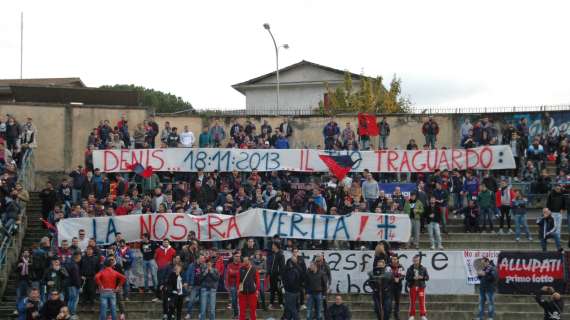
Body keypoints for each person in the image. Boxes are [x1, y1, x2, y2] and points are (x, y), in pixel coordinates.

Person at [405, 255, 429, 320]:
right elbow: (407, 278)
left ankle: (423, 315)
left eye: (417, 260)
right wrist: (412, 278)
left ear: (419, 261)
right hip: (412, 287)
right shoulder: (409, 269)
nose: (416, 262)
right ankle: (412, 315)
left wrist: (422, 277)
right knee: (412, 301)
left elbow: (427, 278)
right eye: (415, 261)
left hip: (421, 287)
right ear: (413, 261)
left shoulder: (423, 268)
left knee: (422, 301)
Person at [281, 253, 302, 320]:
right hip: (296, 291)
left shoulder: (292, 270)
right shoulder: (299, 268)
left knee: (292, 308)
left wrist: (285, 286)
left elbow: (290, 282)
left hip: (291, 292)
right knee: (290, 308)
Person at [225, 251, 241, 319]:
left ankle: (239, 315)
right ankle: (236, 314)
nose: (238, 258)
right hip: (232, 284)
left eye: (239, 256)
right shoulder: (229, 265)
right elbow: (228, 274)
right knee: (234, 300)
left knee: (240, 300)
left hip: (240, 285)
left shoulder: (242, 265)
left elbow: (240, 274)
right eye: (236, 256)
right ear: (233, 257)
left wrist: (233, 272)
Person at [268, 242, 284, 309]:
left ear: (276, 246)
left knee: (279, 290)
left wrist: (280, 275)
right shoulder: (272, 254)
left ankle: (281, 303)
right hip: (272, 275)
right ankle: (271, 303)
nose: (272, 247)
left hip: (277, 276)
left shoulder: (281, 255)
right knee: (272, 290)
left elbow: (282, 267)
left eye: (273, 245)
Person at [389, 255, 405, 320]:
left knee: (397, 301)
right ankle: (388, 314)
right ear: (391, 260)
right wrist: (393, 279)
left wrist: (399, 278)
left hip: (398, 286)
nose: (394, 260)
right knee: (389, 301)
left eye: (395, 259)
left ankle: (396, 315)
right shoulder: (388, 266)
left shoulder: (400, 266)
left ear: (397, 260)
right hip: (390, 286)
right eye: (393, 259)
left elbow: (403, 275)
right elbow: (387, 275)